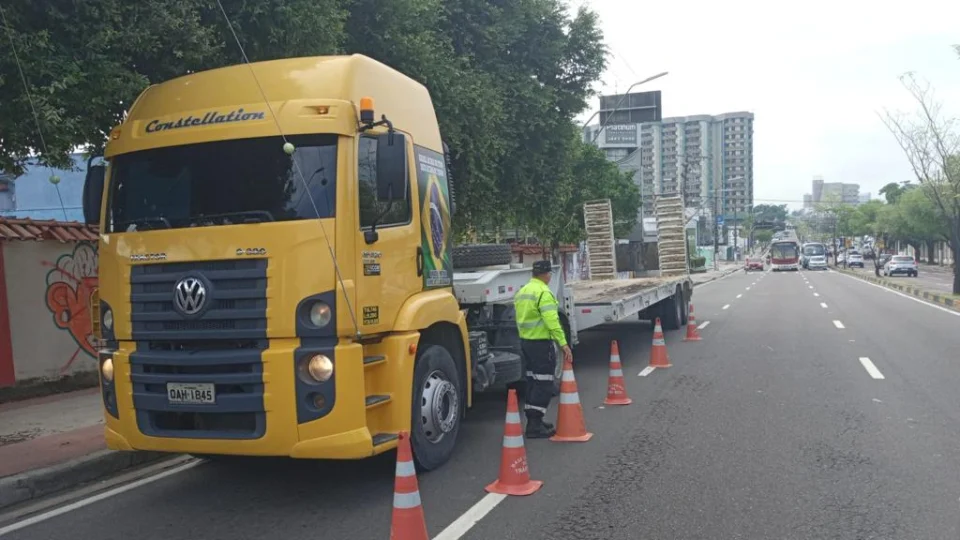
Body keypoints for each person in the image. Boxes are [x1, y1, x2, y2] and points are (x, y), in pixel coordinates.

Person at [514, 260, 573, 438]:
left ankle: (535, 419)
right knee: (544, 383)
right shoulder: (543, 292)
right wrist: (563, 344)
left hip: (526, 343)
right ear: (547, 274)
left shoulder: (523, 291)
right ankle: (534, 425)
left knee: (533, 381)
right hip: (540, 344)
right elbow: (552, 321)